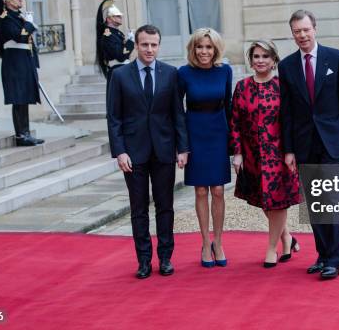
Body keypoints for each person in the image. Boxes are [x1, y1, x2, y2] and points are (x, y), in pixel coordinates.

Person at [278, 9, 339, 280]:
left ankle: (334, 260)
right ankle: (323, 254)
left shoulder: (337, 59)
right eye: (296, 32)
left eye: (305, 30)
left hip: (331, 141)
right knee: (314, 204)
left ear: (315, 28)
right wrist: (288, 149)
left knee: (331, 201)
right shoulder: (287, 65)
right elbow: (286, 112)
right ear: (292, 34)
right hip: (303, 144)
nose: (302, 35)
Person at [107, 24, 189, 279]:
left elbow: (178, 114)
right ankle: (143, 260)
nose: (149, 49)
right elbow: (114, 117)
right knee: (139, 208)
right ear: (137, 45)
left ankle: (165, 258)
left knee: (165, 207)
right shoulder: (120, 76)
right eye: (144, 44)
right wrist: (119, 151)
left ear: (159, 45)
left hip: (164, 151)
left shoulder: (171, 74)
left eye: (154, 45)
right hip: (133, 154)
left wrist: (182, 148)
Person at [230, 40, 302, 268]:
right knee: (264, 200)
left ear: (274, 61)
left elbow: (292, 122)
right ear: (251, 60)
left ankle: (272, 248)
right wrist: (237, 152)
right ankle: (287, 238)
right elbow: (234, 122)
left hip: (279, 153)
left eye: (265, 56)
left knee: (278, 201)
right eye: (256, 56)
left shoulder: (283, 86)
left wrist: (292, 151)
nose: (260, 60)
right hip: (252, 154)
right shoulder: (241, 87)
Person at [178, 28, 232, 268]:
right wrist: (182, 145)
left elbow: (229, 107)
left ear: (216, 49)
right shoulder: (183, 73)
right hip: (195, 133)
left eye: (209, 47)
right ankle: (204, 242)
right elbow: (177, 111)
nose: (204, 52)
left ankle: (218, 242)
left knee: (218, 190)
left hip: (218, 133)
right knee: (201, 190)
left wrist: (234, 144)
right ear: (193, 48)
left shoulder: (225, 71)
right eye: (200, 47)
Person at [0, 0, 44, 147]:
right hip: (14, 63)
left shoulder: (18, 16)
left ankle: (26, 132)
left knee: (26, 99)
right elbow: (19, 37)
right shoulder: (5, 18)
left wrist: (34, 63)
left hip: (24, 61)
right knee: (18, 98)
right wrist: (29, 25)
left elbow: (29, 42)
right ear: (7, 1)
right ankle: (20, 135)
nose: (19, 0)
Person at [96, 0, 135, 86]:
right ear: (109, 19)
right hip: (117, 70)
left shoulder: (116, 33)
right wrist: (130, 41)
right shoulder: (108, 35)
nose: (120, 17)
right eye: (117, 16)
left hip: (122, 68)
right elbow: (120, 56)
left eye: (120, 15)